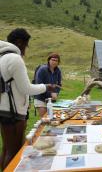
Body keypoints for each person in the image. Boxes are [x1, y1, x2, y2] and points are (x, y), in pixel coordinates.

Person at [0, 28, 56, 170]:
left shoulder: (2, 57)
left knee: (7, 148)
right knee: (14, 151)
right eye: (25, 45)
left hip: (4, 109)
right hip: (13, 113)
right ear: (19, 42)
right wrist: (46, 87)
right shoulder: (14, 58)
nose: (25, 50)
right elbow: (27, 89)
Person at [34, 52, 62, 117]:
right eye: (52, 60)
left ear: (58, 62)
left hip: (51, 100)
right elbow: (39, 85)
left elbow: (59, 85)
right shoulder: (42, 69)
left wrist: (56, 93)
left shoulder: (58, 71)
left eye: (56, 60)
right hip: (40, 98)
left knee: (51, 117)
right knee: (45, 118)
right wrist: (51, 94)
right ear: (49, 60)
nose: (54, 62)